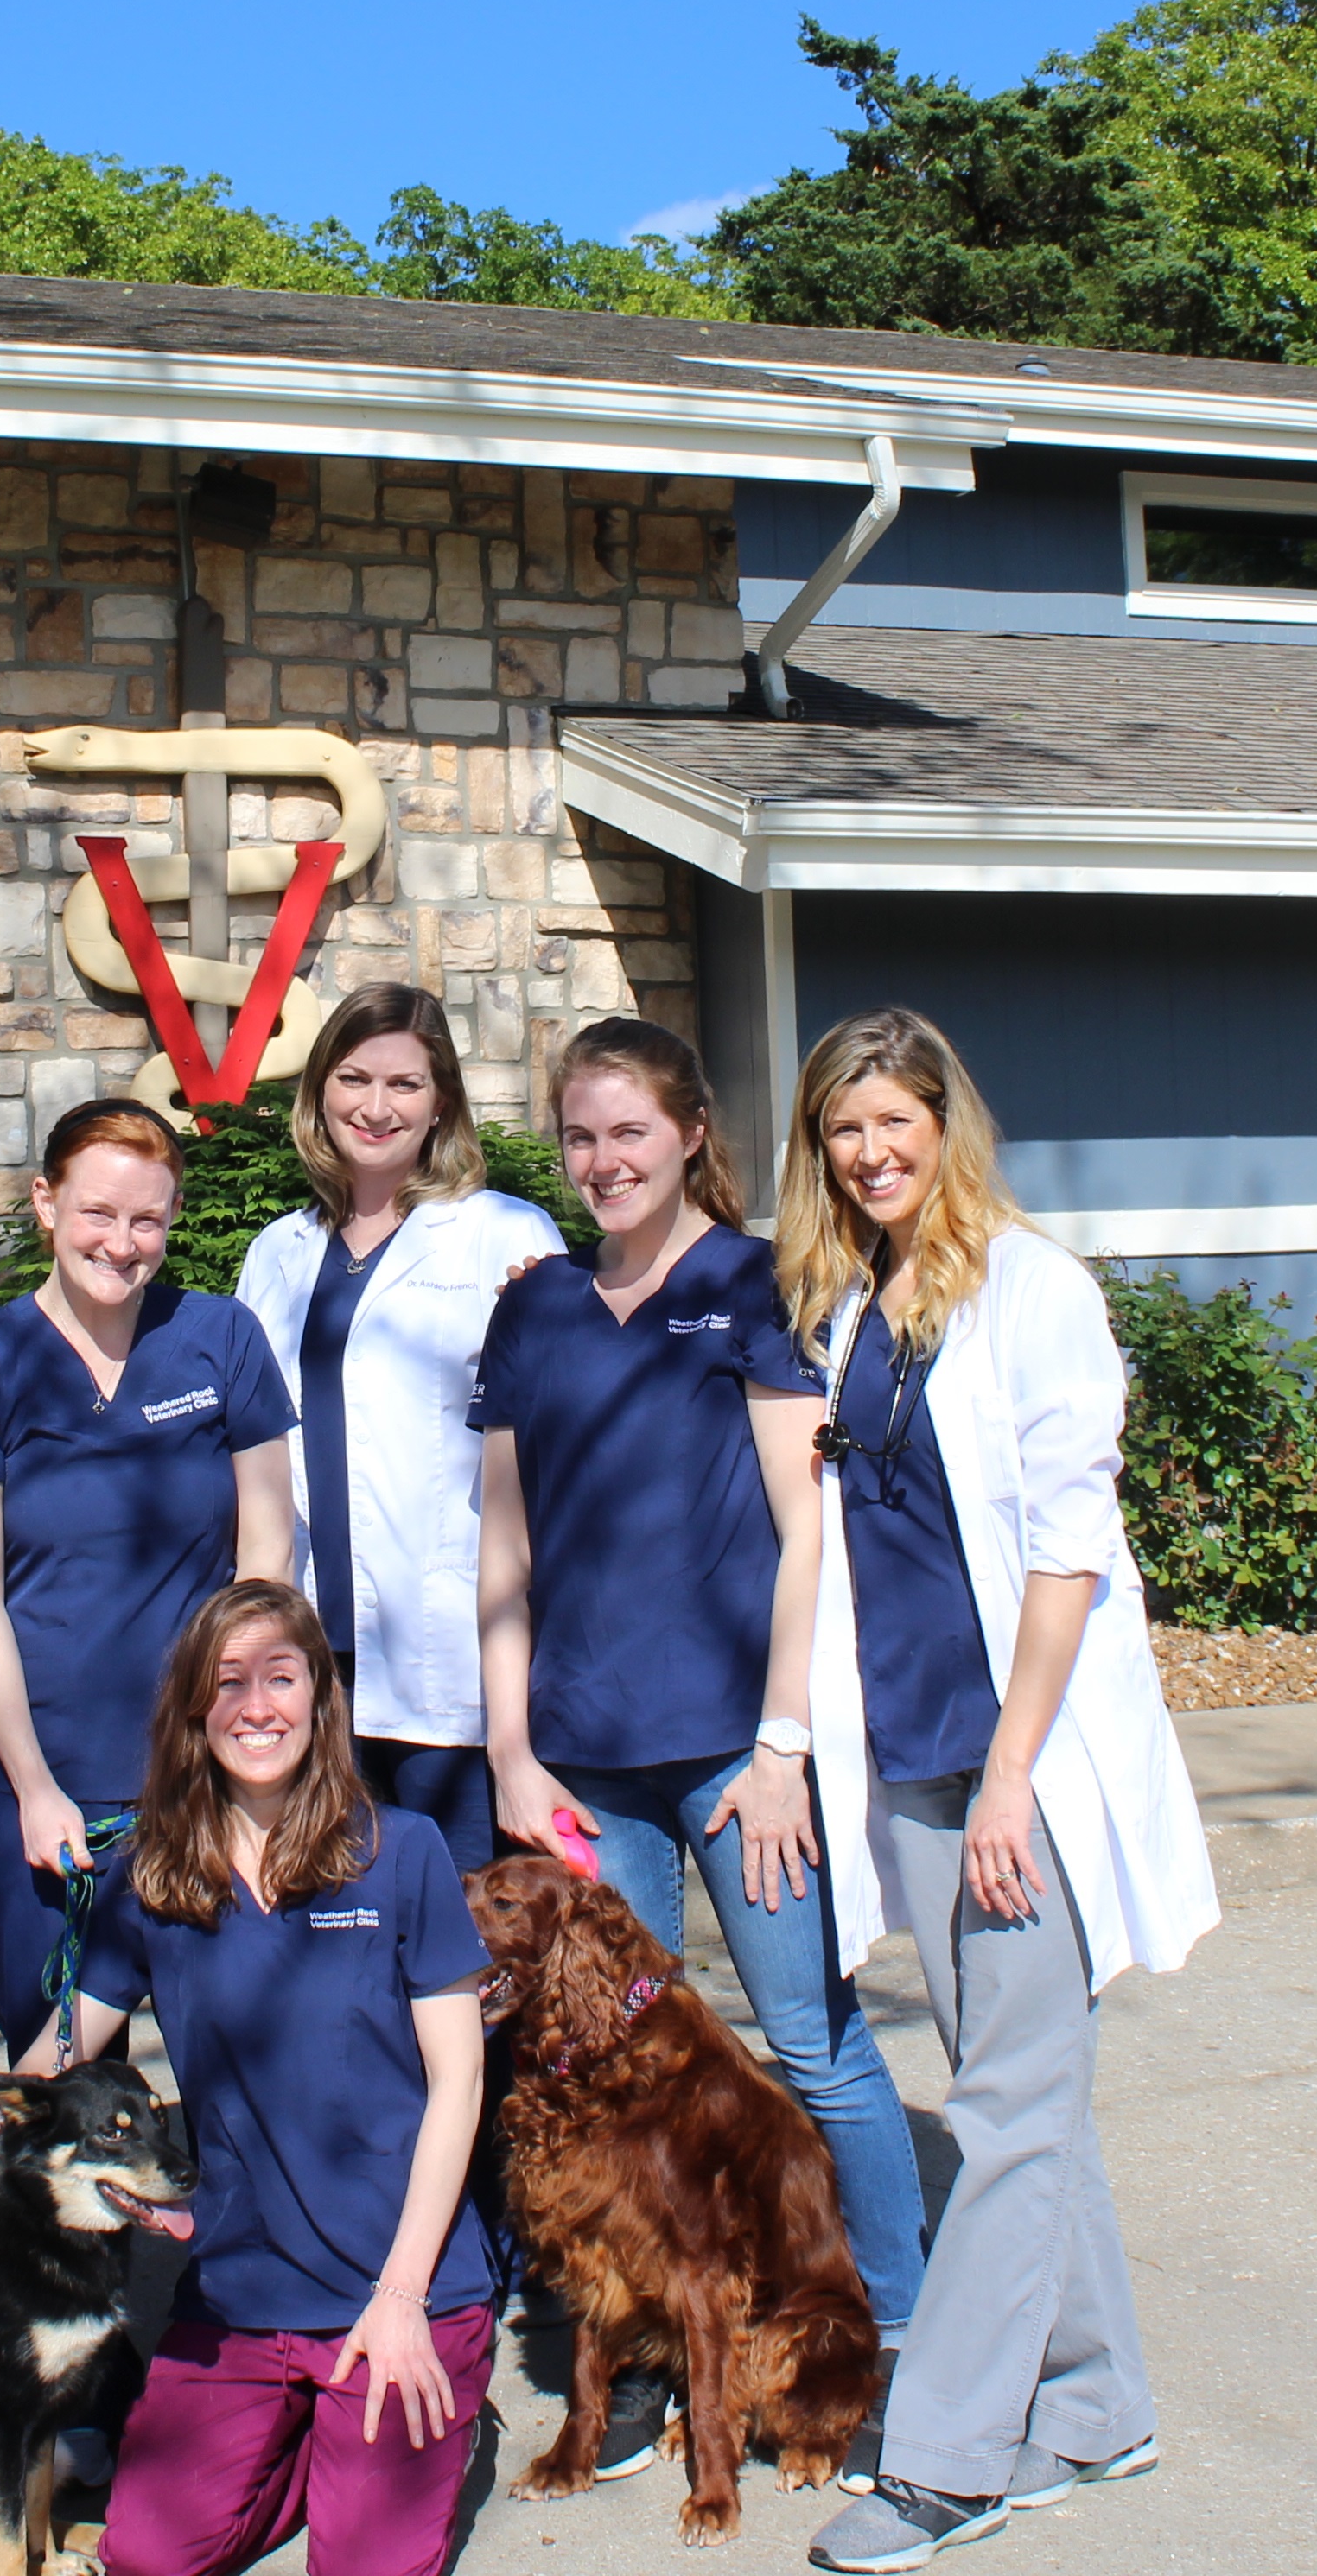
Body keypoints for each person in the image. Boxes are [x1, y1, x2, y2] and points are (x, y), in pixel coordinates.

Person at [770, 1009, 1221, 2576]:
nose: (869, 1153)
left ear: (945, 1124)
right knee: (1020, 2087)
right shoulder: (853, 1300)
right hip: (908, 1747)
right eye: (842, 1129)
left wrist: (1014, 1776)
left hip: (1019, 1762)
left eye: (894, 1121)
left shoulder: (1035, 1291)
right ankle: (1093, 2406)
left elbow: (1065, 1551)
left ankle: (947, 2462)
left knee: (1006, 2109)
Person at [0, 1582, 494, 2576]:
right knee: (147, 2557)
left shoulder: (401, 1853)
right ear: (194, 1707)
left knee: (363, 2567)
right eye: (227, 1682)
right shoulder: (156, 1874)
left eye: (282, 1678)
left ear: (321, 1699)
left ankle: (427, 2405)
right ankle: (312, 2441)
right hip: (243, 2295)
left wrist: (405, 2295)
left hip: (399, 2287)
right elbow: (52, 2063)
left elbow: (460, 2082)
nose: (256, 1706)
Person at [474, 1015, 929, 2410]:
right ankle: (659, 2340)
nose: (602, 1159)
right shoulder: (532, 1307)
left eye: (629, 1131)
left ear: (687, 1135)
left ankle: (898, 2332)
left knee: (809, 2043)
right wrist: (510, 1749)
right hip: (582, 1757)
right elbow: (501, 1547)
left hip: (736, 1757)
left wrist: (783, 1744)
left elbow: (806, 1532)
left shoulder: (752, 1285)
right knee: (615, 2064)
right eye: (579, 1135)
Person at [0, 1097, 298, 2055]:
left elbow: (266, 1561)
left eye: (147, 1220)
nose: (122, 1244)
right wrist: (34, 1786)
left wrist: (244, 1751)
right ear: (46, 1203)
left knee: (243, 2066)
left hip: (203, 1782)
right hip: (45, 1788)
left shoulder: (221, 1338)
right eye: (98, 1213)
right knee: (59, 2078)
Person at [233, 983, 564, 1870]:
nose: (376, 1107)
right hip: (313, 1651)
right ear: (319, 1093)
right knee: (328, 1921)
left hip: (447, 1655)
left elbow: (557, 1455)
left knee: (467, 1921)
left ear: (441, 1101)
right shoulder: (276, 1254)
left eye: (405, 1084)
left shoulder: (505, 1236)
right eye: (354, 1079)